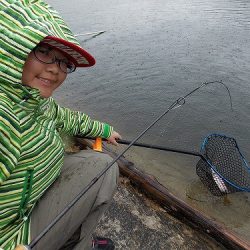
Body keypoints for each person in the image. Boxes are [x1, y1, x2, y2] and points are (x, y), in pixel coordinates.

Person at [0, 0, 121, 249]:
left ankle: (73, 238)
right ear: (10, 49)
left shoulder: (32, 100)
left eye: (65, 62)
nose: (56, 70)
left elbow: (63, 116)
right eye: (43, 51)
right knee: (103, 167)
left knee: (98, 162)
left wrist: (103, 130)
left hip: (30, 201)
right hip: (14, 237)